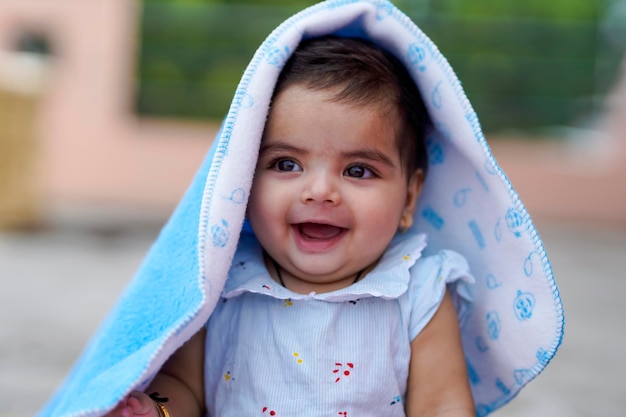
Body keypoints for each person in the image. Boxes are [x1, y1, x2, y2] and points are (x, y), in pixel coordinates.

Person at [108, 35, 475, 417]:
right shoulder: (221, 281)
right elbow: (184, 386)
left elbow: (442, 406)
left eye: (358, 170)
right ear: (243, 180)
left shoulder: (419, 293)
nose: (320, 192)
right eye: (286, 164)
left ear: (409, 198)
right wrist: (157, 411)